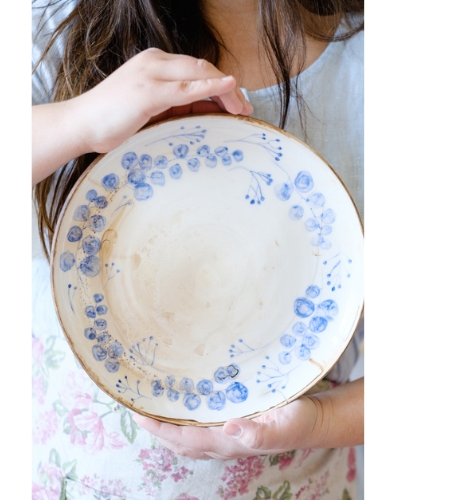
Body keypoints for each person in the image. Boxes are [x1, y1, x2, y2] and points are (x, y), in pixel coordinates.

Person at [31, 1, 364, 498]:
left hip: (297, 479)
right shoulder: (59, 30)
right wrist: (79, 119)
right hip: (75, 473)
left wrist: (317, 422)